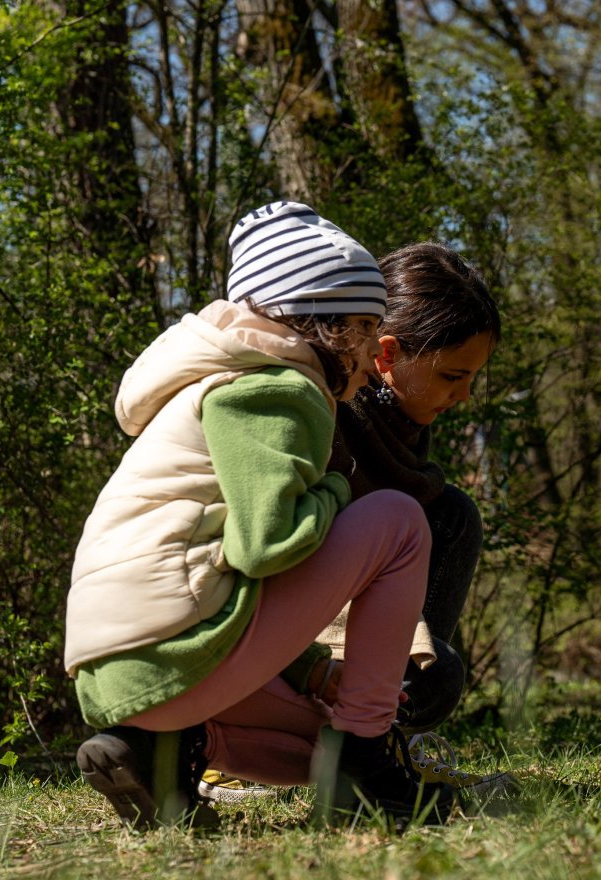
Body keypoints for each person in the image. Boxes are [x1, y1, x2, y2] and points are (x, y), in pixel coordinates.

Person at [66, 201, 451, 830]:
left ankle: (160, 757)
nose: (374, 347)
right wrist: (334, 491)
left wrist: (308, 669)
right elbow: (266, 549)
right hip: (175, 654)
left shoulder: (215, 380)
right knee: (399, 521)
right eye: (367, 324)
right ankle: (366, 766)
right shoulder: (278, 389)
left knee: (315, 747)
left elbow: (228, 567)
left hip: (124, 676)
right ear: (330, 326)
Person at [200, 241, 510, 805]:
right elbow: (278, 554)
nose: (464, 396)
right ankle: (241, 754)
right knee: (431, 675)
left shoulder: (402, 422)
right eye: (452, 375)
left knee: (452, 517)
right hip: (261, 639)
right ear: (386, 355)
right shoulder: (324, 410)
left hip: (329, 628)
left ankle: (383, 745)